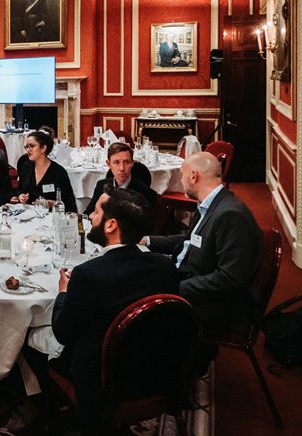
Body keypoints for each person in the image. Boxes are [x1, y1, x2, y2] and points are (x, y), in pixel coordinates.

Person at [41, 189, 179, 433]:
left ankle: (39, 411)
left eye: (96, 213)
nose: (91, 217)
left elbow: (63, 332)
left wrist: (63, 292)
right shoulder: (166, 267)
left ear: (111, 225)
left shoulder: (88, 275)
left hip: (102, 379)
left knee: (36, 339)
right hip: (154, 370)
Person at [145, 152, 261, 337]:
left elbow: (230, 279)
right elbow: (189, 240)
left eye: (182, 175)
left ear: (193, 175)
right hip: (190, 276)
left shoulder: (230, 214)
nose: (181, 181)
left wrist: (173, 288)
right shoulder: (210, 204)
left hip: (217, 305)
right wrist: (147, 241)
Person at [84, 142, 157, 215]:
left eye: (126, 162)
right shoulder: (101, 185)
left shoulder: (146, 193)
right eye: (116, 162)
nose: (122, 168)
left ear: (132, 163)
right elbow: (88, 213)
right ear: (108, 164)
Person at [16, 130, 77, 211]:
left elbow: (69, 204)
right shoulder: (26, 167)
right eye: (27, 147)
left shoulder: (59, 172)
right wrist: (21, 196)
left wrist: (51, 204)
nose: (28, 150)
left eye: (32, 146)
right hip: (28, 214)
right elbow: (19, 189)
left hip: (51, 217)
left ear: (43, 148)